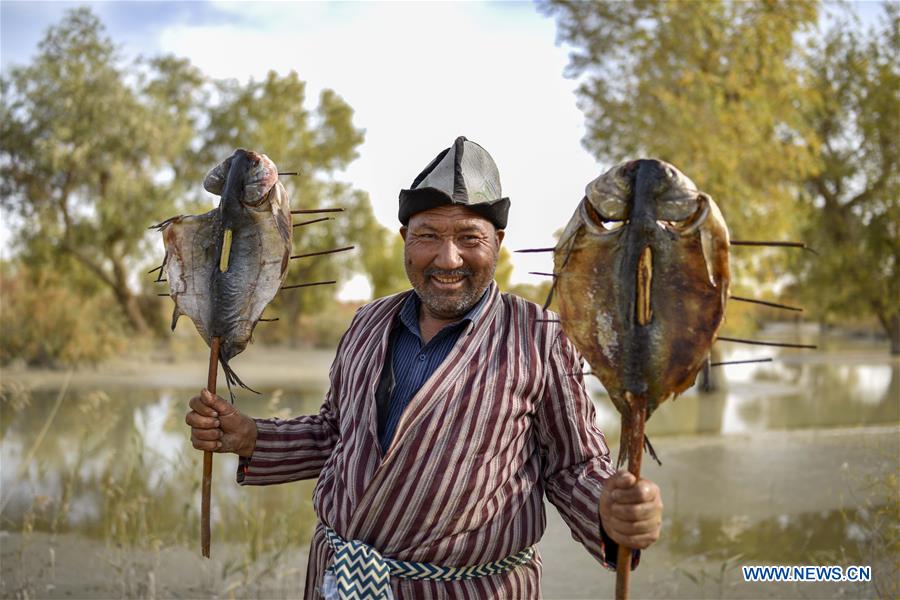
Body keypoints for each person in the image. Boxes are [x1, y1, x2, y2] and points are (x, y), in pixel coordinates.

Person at [186, 137, 663, 599]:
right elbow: (336, 434)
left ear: (497, 242)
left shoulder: (542, 335)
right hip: (342, 581)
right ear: (405, 240)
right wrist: (251, 437)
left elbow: (573, 465)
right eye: (428, 236)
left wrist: (608, 511)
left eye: (470, 238)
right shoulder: (368, 321)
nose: (448, 258)